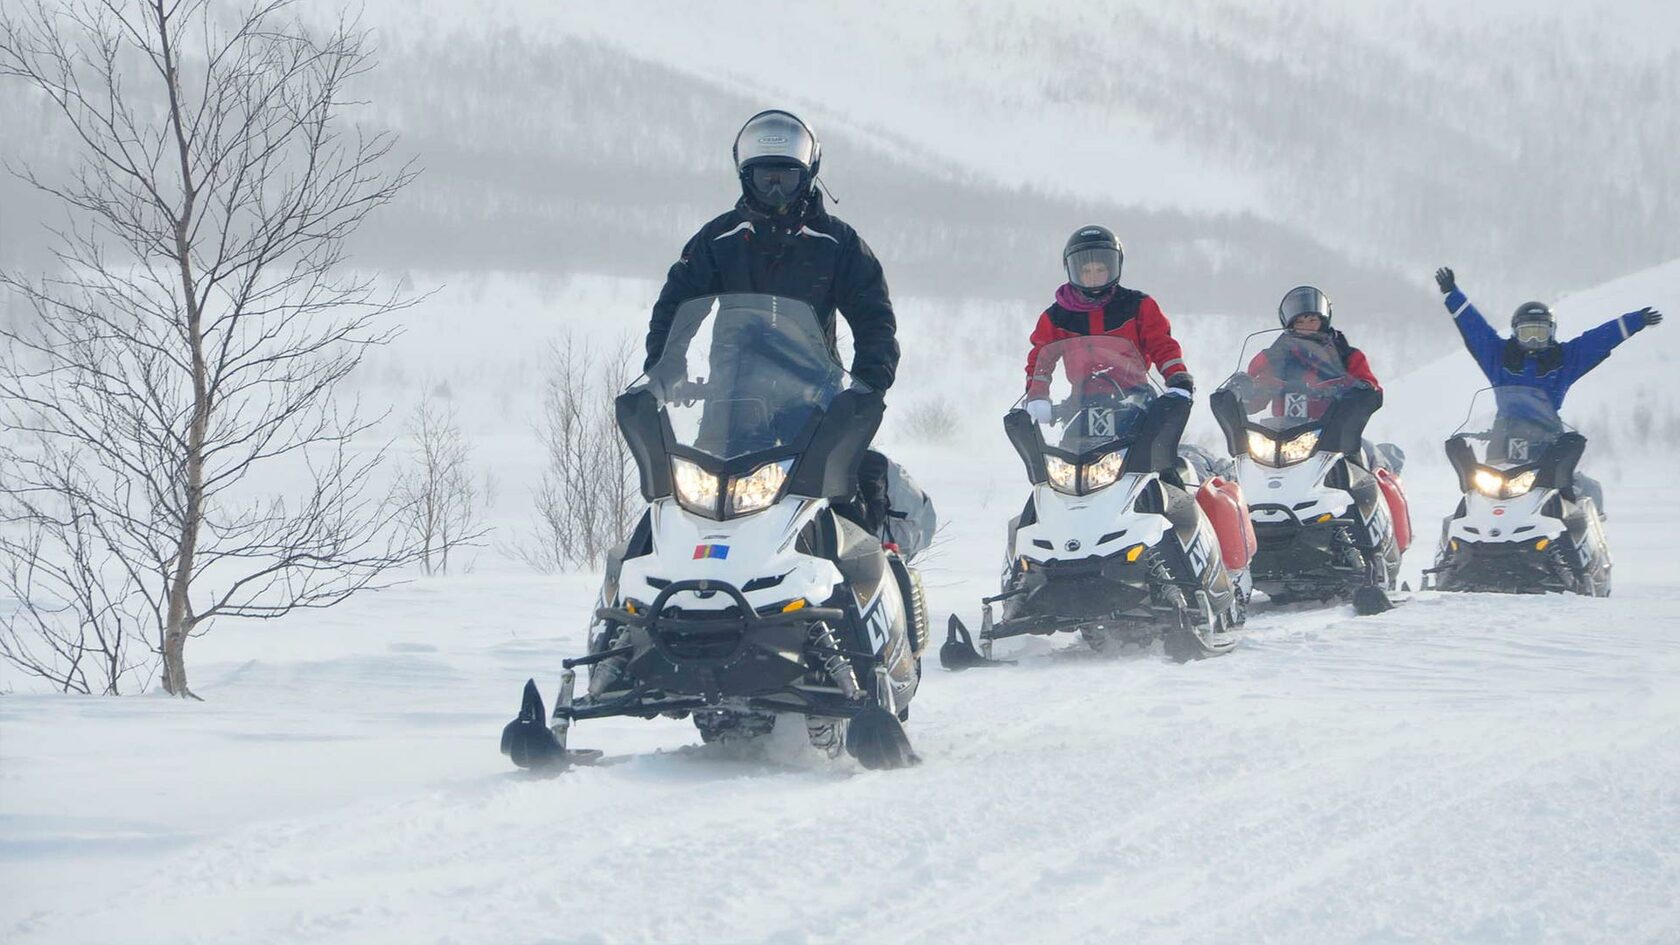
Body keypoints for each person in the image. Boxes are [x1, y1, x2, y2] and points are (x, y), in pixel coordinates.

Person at [644, 109, 901, 532]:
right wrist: (664, 366)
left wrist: (868, 385)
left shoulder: (838, 244)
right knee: (695, 506)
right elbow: (676, 302)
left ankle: (875, 574)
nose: (776, 188)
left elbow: (874, 318)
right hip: (731, 400)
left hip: (814, 400)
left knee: (843, 502)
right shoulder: (719, 239)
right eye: (766, 177)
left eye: (787, 176)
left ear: (809, 175)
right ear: (746, 177)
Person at [1434, 265, 1665, 511]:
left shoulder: (1563, 360)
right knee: (1478, 496)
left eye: (1540, 333)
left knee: (1576, 493)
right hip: (1503, 440)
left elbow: (1596, 341)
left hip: (1548, 442)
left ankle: (1579, 540)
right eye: (1527, 333)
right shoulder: (1499, 357)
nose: (1533, 340)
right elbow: (1475, 328)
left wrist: (1633, 321)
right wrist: (1452, 294)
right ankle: (1457, 543)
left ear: (1552, 333)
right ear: (1515, 333)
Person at [1022, 225, 1193, 424]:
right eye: (1086, 271)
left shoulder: (1138, 306)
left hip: (1135, 399)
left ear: (1114, 267)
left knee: (1155, 448)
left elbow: (1161, 344)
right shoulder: (1058, 316)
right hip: (1081, 405)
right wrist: (1037, 396)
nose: (1093, 276)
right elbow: (1041, 359)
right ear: (1073, 270)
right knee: (1063, 453)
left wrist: (1177, 378)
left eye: (1100, 269)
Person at [1236, 286, 1399, 470]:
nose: (1307, 327)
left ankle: (1372, 494)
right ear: (1289, 324)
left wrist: (1359, 391)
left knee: (1364, 465)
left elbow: (1371, 389)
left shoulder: (1347, 356)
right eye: (1300, 321)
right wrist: (1245, 390)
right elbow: (1254, 395)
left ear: (1323, 321)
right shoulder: (1273, 358)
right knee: (1247, 466)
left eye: (1312, 320)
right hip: (1280, 435)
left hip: (1334, 432)